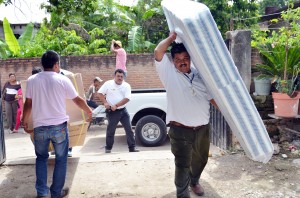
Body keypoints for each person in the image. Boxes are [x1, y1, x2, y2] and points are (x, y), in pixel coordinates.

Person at [154, 32, 218, 197]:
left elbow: (212, 99)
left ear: (190, 59)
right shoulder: (169, 74)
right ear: (173, 61)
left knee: (201, 160)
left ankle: (194, 181)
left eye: (185, 58)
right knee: (182, 164)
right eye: (178, 59)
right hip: (180, 130)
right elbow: (158, 52)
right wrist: (171, 37)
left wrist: (230, 111)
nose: (182, 62)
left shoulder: (201, 76)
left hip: (202, 128)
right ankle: (182, 194)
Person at [21, 50, 92, 198]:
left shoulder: (32, 80)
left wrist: (24, 121)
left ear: (42, 64)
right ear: (56, 64)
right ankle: (56, 192)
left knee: (41, 158)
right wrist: (88, 110)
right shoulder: (62, 79)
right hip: (59, 127)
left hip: (39, 127)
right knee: (61, 159)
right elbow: (77, 99)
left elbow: (28, 103)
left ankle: (42, 193)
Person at [98, 69, 139, 153]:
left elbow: (127, 98)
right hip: (112, 112)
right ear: (114, 76)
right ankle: (108, 148)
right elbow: (100, 93)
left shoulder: (126, 85)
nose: (120, 78)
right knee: (111, 130)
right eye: (118, 76)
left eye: (121, 76)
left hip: (123, 111)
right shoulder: (108, 84)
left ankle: (132, 148)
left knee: (129, 129)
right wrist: (105, 102)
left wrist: (116, 105)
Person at [14, 67, 43, 133]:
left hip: (35, 117)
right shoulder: (50, 82)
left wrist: (23, 118)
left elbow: (27, 103)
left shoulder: (28, 84)